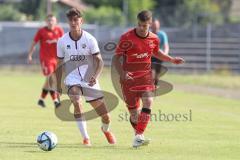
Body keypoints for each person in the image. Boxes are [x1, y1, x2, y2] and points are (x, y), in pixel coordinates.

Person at [114, 10, 184, 148]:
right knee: (134, 114)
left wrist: (171, 59)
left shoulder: (154, 38)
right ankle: (138, 137)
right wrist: (122, 74)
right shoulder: (126, 37)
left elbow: (156, 52)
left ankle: (139, 135)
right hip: (129, 79)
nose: (141, 28)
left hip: (145, 77)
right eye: (139, 24)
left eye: (144, 25)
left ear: (150, 24)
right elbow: (117, 57)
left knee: (148, 100)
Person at [56, 8, 116, 146]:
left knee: (106, 116)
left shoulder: (90, 39)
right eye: (70, 20)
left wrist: (95, 76)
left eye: (76, 20)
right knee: (76, 101)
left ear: (81, 21)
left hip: (89, 79)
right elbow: (59, 63)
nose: (73, 22)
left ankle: (105, 130)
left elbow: (99, 61)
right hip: (72, 79)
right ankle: (86, 138)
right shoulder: (62, 41)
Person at [27, 14, 64, 108]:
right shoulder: (41, 31)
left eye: (52, 20)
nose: (51, 22)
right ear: (46, 21)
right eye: (49, 20)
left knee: (48, 81)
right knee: (51, 78)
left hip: (57, 59)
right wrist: (30, 55)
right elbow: (33, 43)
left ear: (56, 22)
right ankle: (55, 101)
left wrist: (56, 42)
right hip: (46, 59)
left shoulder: (59, 30)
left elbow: (64, 43)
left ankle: (41, 100)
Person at [151, 19, 170, 86]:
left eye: (156, 25)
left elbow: (166, 46)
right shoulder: (148, 34)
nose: (155, 27)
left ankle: (154, 87)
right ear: (151, 26)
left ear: (159, 26)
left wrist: (165, 55)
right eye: (154, 25)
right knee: (151, 73)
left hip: (159, 57)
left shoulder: (162, 34)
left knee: (156, 76)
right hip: (150, 57)